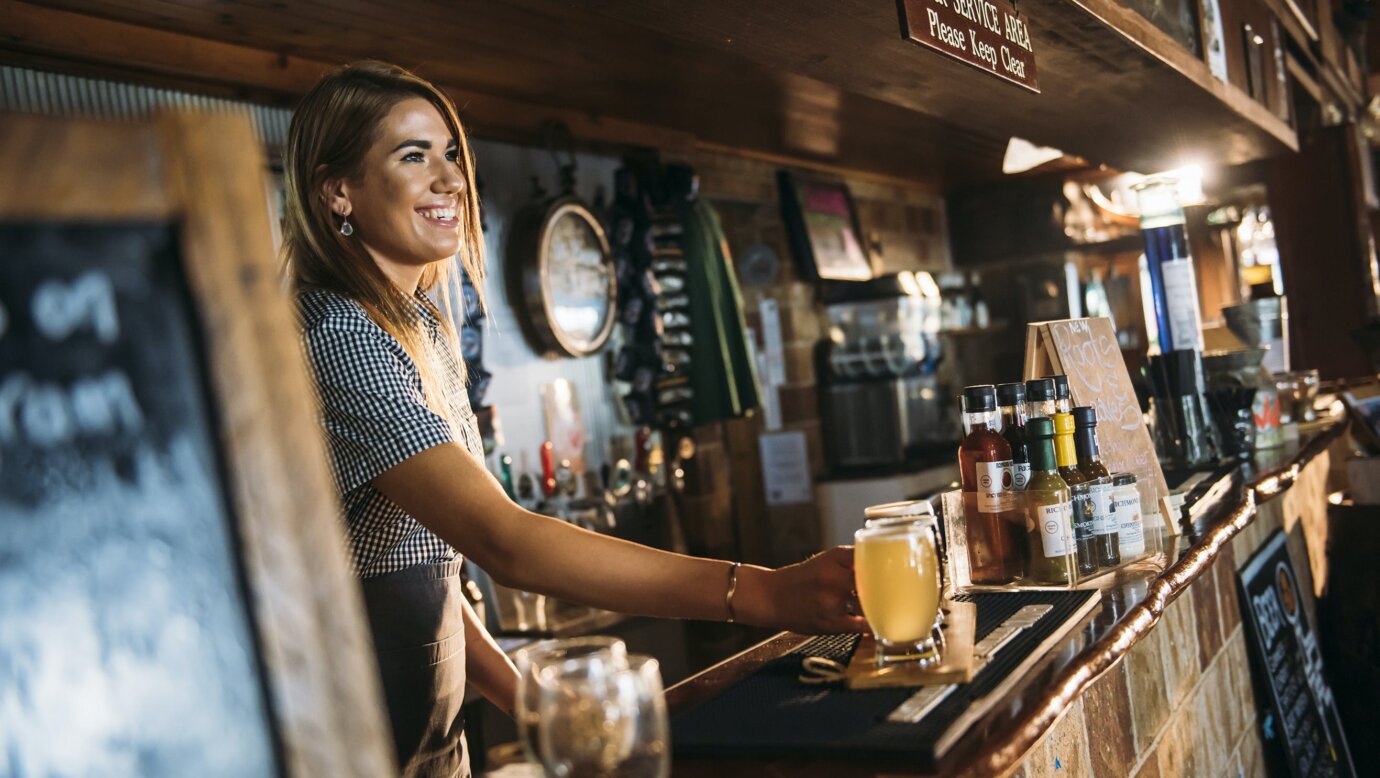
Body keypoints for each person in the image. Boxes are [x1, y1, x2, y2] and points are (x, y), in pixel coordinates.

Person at [283, 61, 865, 778]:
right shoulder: (338, 336)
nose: (451, 179)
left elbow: (419, 567)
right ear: (336, 190)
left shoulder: (418, 330)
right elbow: (506, 543)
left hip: (432, 738)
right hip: (355, 739)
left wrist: (527, 698)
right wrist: (767, 592)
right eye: (413, 156)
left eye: (451, 154)